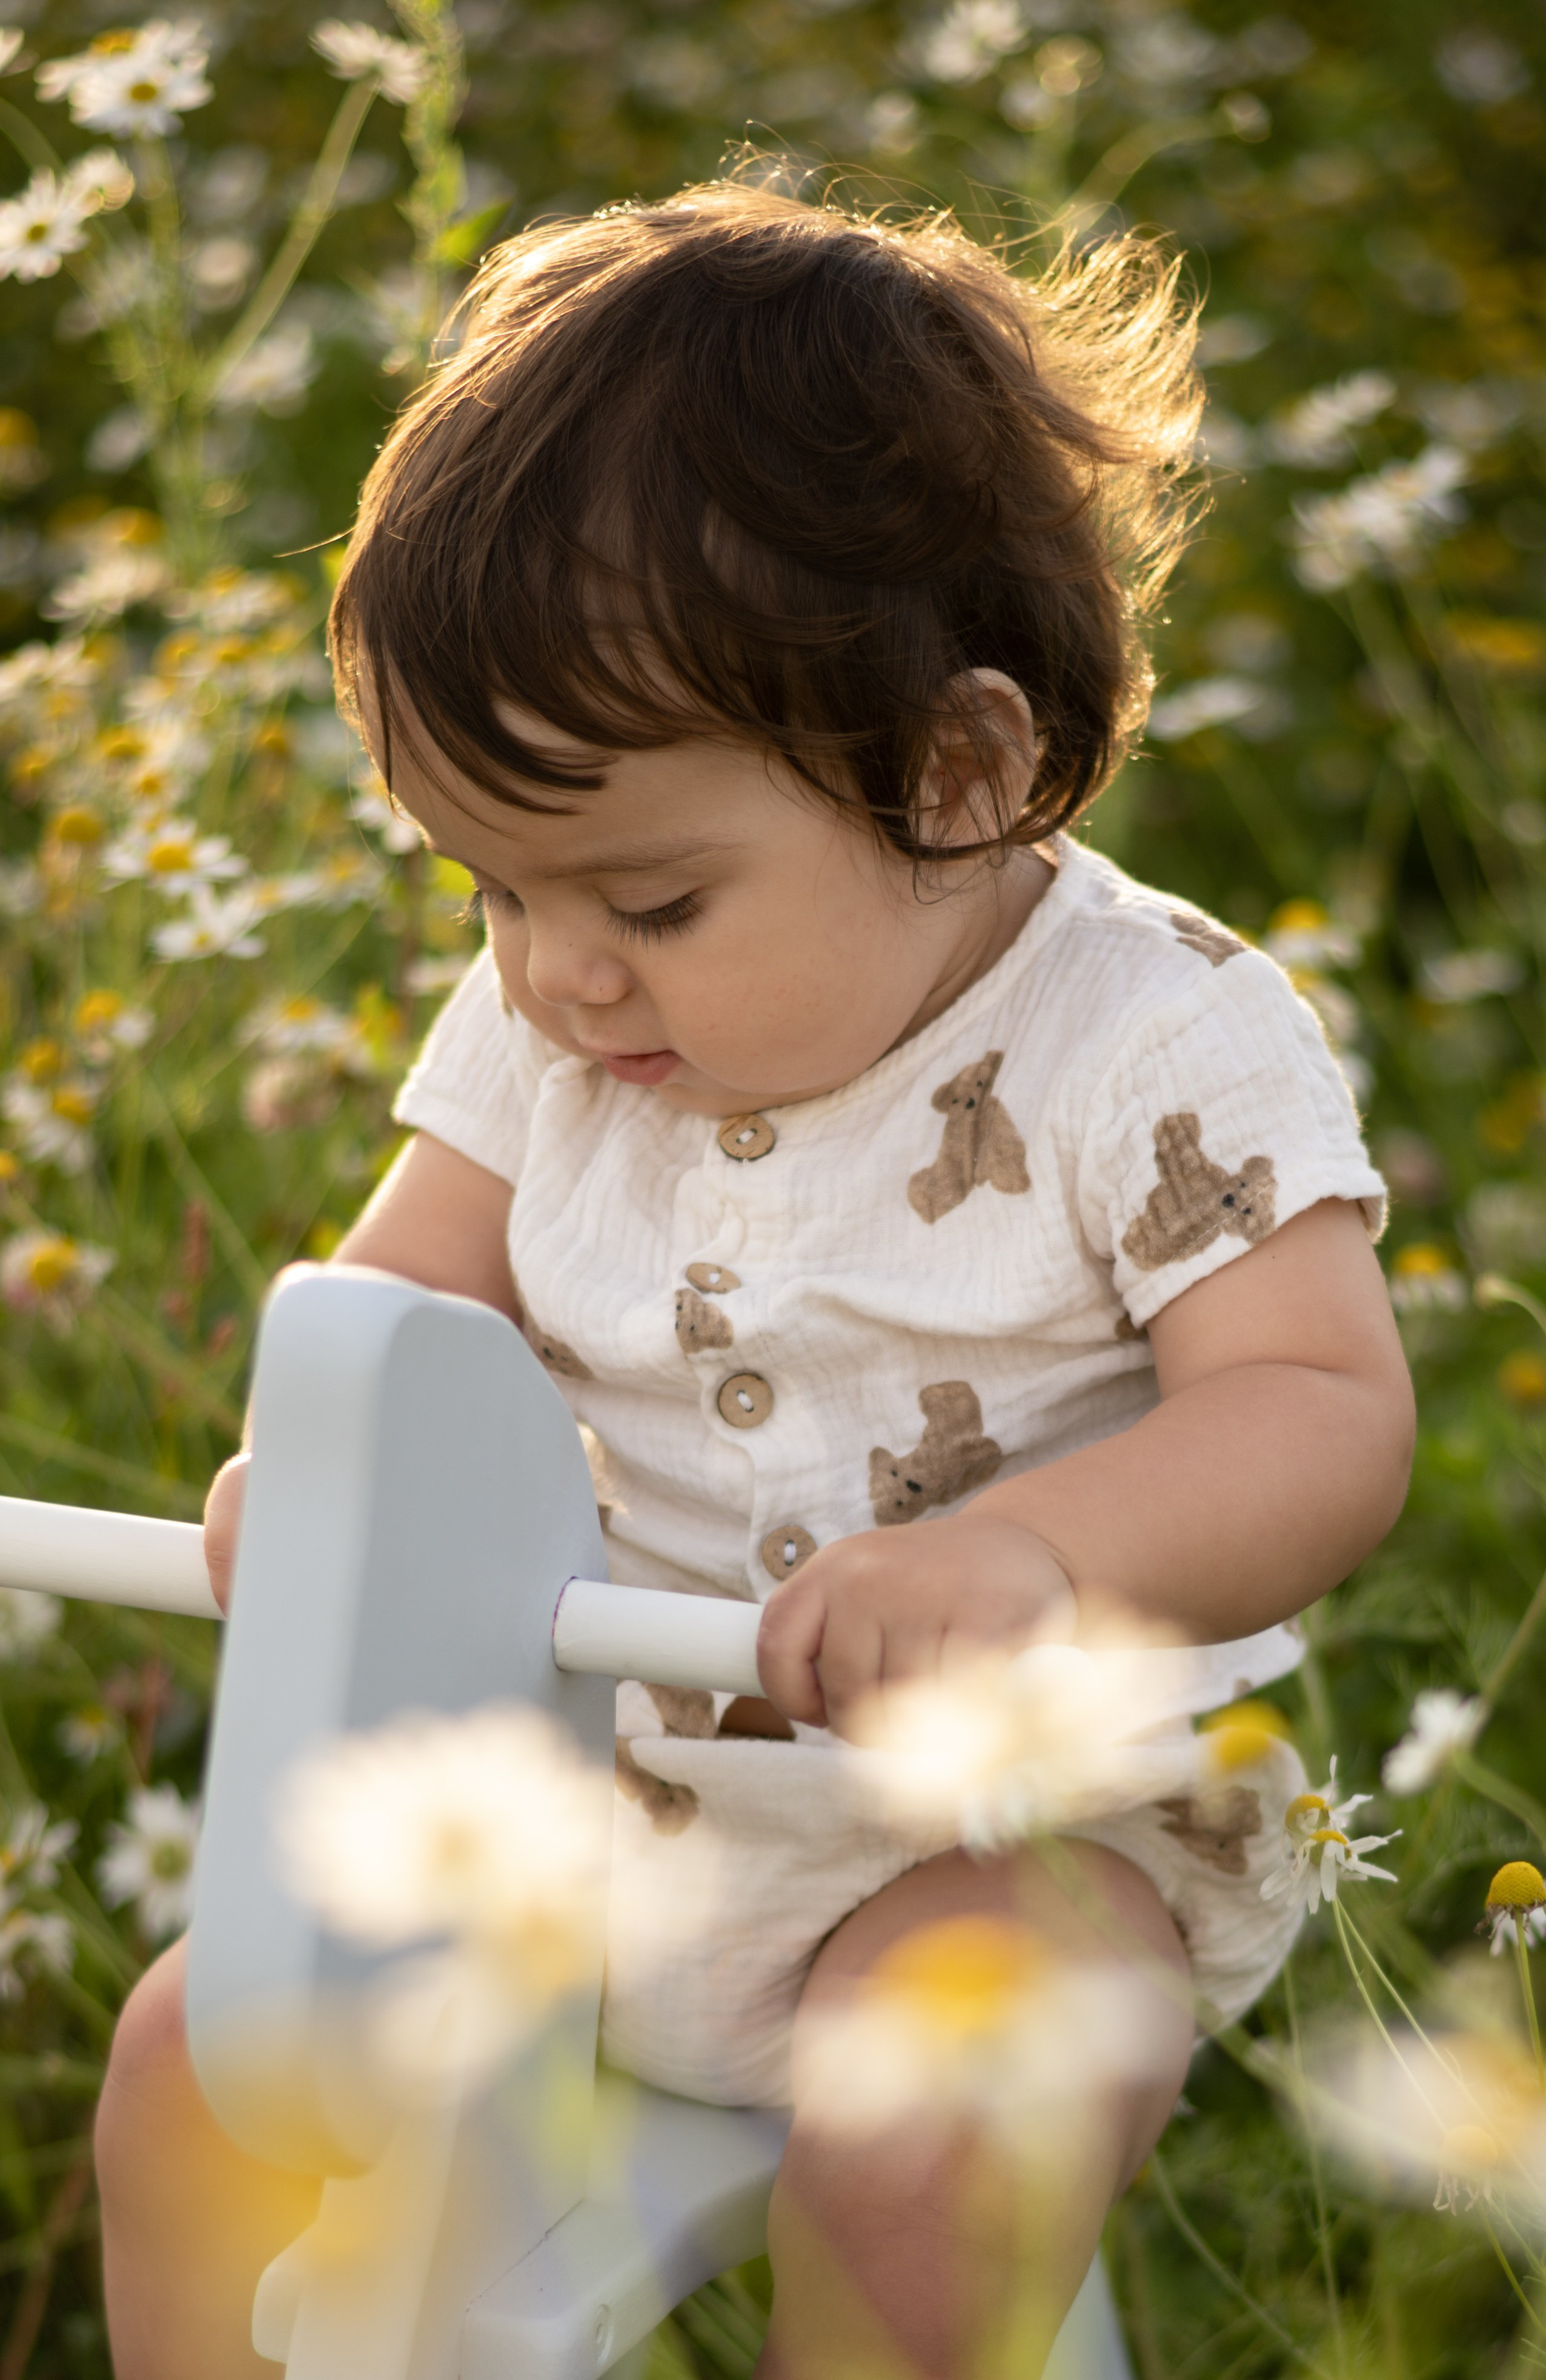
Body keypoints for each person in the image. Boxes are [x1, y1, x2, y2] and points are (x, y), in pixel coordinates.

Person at [93, 180, 1415, 2380]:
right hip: (599, 1797)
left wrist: (1027, 1563)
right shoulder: (560, 1019)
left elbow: (1324, 1414)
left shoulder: (1155, 1036)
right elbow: (407, 1317)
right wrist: (309, 1479)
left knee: (931, 2129)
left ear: (959, 773)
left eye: (652, 894)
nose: (554, 968)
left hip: (1019, 1832)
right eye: (490, 889)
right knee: (204, 2060)